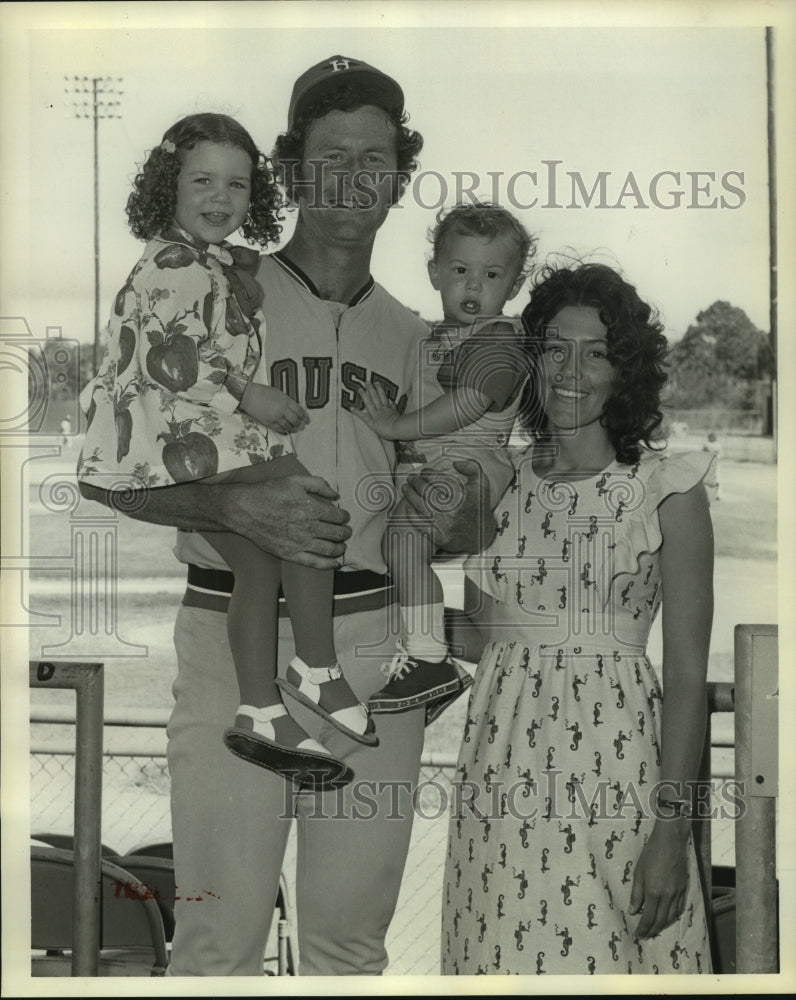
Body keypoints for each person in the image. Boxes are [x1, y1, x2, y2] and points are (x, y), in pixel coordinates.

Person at [78, 54, 482, 976]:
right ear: (292, 170)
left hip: (376, 647)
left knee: (347, 947)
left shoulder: (422, 339)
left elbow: (471, 517)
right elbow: (107, 468)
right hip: (229, 637)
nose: (350, 179)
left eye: (373, 158)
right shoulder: (214, 283)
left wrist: (458, 511)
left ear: (399, 175)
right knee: (218, 944)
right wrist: (227, 500)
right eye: (327, 155)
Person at [77, 112, 375, 790]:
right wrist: (251, 395)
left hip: (189, 427)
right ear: (168, 187)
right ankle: (316, 668)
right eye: (203, 180)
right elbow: (168, 361)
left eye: (237, 186)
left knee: (260, 570)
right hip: (183, 431)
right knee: (309, 503)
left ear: (256, 196)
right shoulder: (176, 265)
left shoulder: (201, 261)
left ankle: (264, 709)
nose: (220, 198)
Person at [441, 261, 716, 974]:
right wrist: (373, 612)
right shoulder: (498, 481)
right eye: (555, 348)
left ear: (625, 371)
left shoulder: (666, 488)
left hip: (617, 782)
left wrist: (669, 833)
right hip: (499, 786)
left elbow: (687, 678)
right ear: (530, 360)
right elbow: (480, 637)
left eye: (597, 354)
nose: (573, 370)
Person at [354, 202, 537, 713]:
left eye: (492, 274)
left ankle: (429, 656)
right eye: (460, 271)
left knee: (406, 542)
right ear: (435, 273)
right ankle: (427, 659)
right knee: (397, 549)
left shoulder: (501, 337)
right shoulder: (431, 336)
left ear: (514, 285)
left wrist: (395, 426)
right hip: (436, 465)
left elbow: (467, 404)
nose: (474, 286)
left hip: (470, 464)